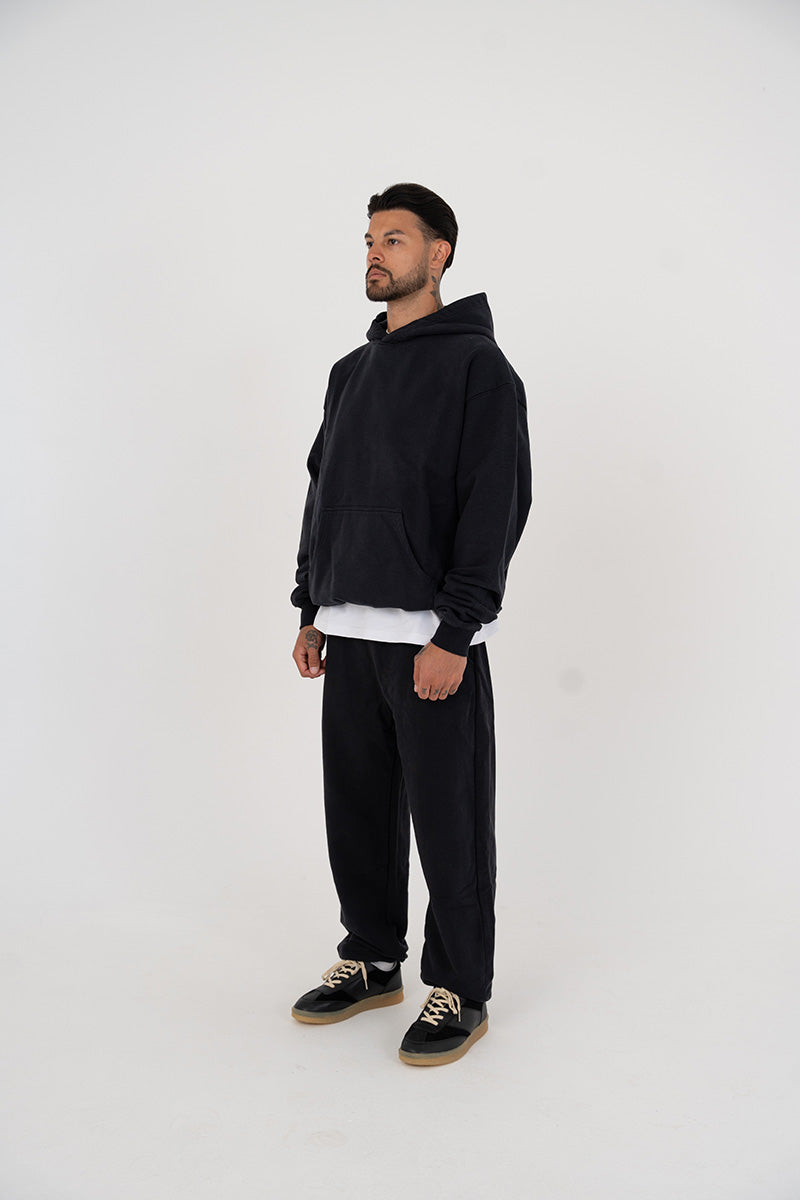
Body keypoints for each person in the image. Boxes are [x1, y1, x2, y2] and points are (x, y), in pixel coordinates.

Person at [289, 182, 532, 1066]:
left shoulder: (478, 368)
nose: (374, 252)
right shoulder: (349, 374)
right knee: (356, 810)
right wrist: (311, 606)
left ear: (440, 254)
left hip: (432, 641)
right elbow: (323, 491)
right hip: (350, 630)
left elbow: (496, 504)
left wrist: (455, 631)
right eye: (368, 238)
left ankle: (460, 986)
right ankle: (372, 958)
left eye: (394, 238)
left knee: (449, 819)